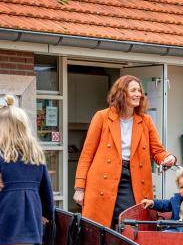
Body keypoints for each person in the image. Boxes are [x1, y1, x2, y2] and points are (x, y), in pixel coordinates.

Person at [73, 75, 176, 228]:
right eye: (133, 90)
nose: (138, 94)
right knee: (101, 227)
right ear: (121, 93)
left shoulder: (145, 120)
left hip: (134, 178)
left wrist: (168, 158)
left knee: (130, 223)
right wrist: (80, 189)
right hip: (103, 180)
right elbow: (87, 154)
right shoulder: (101, 117)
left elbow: (158, 151)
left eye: (139, 91)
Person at [0, 95, 54, 245]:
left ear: (2, 129)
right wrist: (47, 214)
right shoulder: (36, 155)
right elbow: (46, 190)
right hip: (30, 224)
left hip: (1, 222)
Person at [139, 166, 183, 232]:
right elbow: (165, 204)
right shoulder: (176, 199)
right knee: (163, 235)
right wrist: (152, 203)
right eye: (181, 187)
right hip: (175, 228)